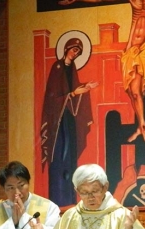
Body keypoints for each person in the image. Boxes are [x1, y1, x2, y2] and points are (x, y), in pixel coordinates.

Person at [59, 0, 145, 143]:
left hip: (143, 49)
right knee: (131, 92)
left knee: (136, 92)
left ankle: (142, 124)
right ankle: (139, 126)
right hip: (130, 50)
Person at [32, 164, 145, 229]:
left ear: (105, 187)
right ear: (76, 190)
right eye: (84, 192)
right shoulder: (70, 216)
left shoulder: (121, 215)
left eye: (95, 191)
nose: (90, 197)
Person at [40, 36, 98, 207]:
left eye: (78, 52)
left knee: (70, 158)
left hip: (68, 121)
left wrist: (85, 88)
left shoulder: (72, 69)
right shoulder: (57, 68)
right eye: (74, 50)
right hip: (57, 124)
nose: (75, 54)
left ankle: (70, 199)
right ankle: (57, 199)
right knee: (59, 157)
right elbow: (52, 98)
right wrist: (72, 94)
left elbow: (74, 89)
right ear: (66, 49)